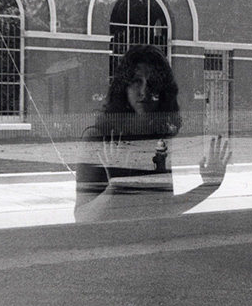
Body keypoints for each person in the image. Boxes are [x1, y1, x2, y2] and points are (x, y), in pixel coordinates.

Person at [75, 45, 230, 222]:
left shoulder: (157, 139)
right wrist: (115, 188)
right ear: (124, 87)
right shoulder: (98, 138)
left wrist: (210, 185)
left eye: (153, 82)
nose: (145, 91)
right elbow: (81, 217)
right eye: (136, 81)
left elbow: (163, 209)